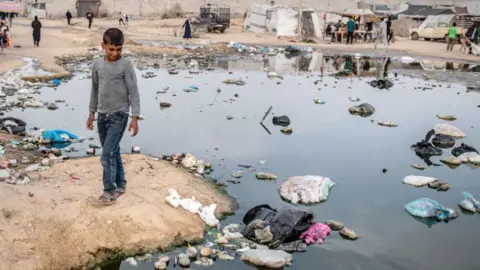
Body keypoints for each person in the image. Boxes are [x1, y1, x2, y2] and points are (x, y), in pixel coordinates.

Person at [87, 28, 141, 204]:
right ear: (103, 46)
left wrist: (135, 117)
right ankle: (121, 184)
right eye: (111, 49)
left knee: (106, 154)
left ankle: (108, 191)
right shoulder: (97, 65)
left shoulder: (125, 65)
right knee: (113, 152)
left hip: (120, 115)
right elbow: (94, 90)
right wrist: (91, 113)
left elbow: (133, 92)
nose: (115, 53)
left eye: (119, 49)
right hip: (102, 115)